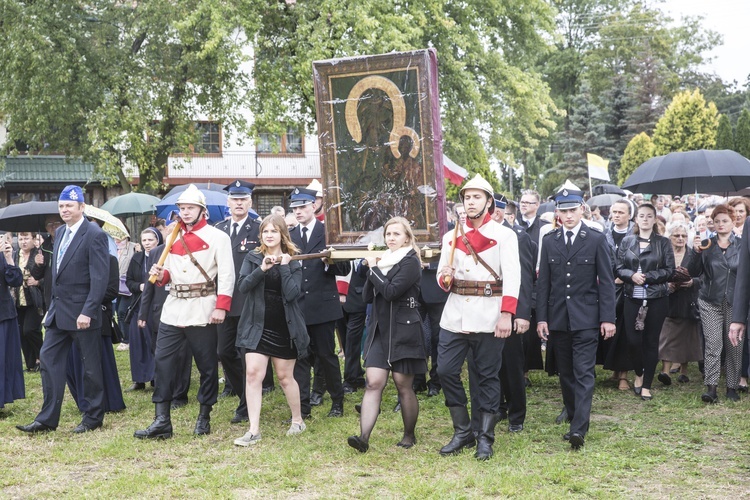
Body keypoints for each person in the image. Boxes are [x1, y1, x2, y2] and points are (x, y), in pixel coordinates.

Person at [134, 184, 234, 439]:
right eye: (182, 208)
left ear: (203, 211)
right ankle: (162, 420)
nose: (185, 212)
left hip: (203, 307)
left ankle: (204, 415)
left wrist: (221, 307)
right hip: (174, 308)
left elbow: (227, 275)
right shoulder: (172, 237)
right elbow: (169, 274)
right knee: (163, 362)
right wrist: (160, 275)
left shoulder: (218, 237)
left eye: (190, 208)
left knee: (207, 366)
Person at [435, 174, 520, 461]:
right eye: (466, 197)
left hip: (489, 312)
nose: (470, 202)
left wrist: (507, 314)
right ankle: (463, 432)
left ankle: (485, 437)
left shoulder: (505, 235)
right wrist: (444, 278)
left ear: (488, 202)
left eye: (476, 197)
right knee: (445, 370)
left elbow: (513, 278)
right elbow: (442, 276)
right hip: (456, 313)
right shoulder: (451, 236)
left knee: (487, 377)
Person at [17, 185, 110, 434]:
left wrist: (88, 311)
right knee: (48, 360)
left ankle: (93, 417)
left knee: (90, 367)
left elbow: (99, 279)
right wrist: (50, 308)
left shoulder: (94, 234)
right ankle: (47, 419)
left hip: (83, 315)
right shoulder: (59, 235)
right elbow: (55, 275)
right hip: (58, 314)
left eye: (69, 205)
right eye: (61, 206)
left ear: (82, 207)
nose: (64, 210)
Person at [536, 188, 616, 450]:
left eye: (573, 210)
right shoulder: (549, 240)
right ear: (557, 213)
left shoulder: (594, 239)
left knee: (584, 373)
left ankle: (578, 429)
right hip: (559, 319)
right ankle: (573, 418)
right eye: (563, 211)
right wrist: (542, 319)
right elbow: (544, 284)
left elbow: (606, 282)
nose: (568, 215)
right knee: (566, 374)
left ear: (582, 209)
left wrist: (608, 318)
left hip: (587, 319)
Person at [347, 217, 427, 453]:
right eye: (388, 234)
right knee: (373, 382)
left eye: (396, 234)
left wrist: (373, 269)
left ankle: (409, 434)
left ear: (407, 237)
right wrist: (369, 270)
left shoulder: (410, 261)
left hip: (405, 329)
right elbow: (367, 296)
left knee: (403, 385)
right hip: (380, 330)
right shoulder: (384, 261)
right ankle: (363, 438)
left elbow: (391, 292)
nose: (391, 238)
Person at [233, 215, 309, 446]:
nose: (269, 235)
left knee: (286, 378)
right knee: (253, 374)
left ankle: (297, 420)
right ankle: (253, 430)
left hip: (284, 327)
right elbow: (243, 286)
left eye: (274, 231)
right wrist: (262, 269)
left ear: (282, 235)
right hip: (257, 326)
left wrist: (284, 267)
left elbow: (293, 294)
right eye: (265, 231)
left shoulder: (293, 260)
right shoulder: (254, 257)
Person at [289, 187, 351, 419]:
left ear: (314, 206)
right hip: (299, 306)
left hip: (323, 306)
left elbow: (345, 268)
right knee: (301, 358)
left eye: (302, 207)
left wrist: (329, 260)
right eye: (294, 208)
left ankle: (337, 401)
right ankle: (303, 407)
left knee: (327, 356)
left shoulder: (328, 233)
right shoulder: (291, 235)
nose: (298, 212)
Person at [214, 180, 265, 424]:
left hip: (249, 300)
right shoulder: (219, 229)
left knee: (247, 354)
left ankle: (246, 405)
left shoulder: (259, 228)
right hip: (224, 300)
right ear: (228, 202)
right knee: (224, 351)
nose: (239, 203)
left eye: (243, 199)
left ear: (250, 202)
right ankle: (241, 391)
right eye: (235, 199)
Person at [616, 203, 675, 401]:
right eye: (641, 215)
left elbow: (669, 270)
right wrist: (631, 275)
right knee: (633, 341)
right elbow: (618, 267)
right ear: (636, 219)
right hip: (632, 297)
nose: (645, 219)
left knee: (651, 341)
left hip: (657, 298)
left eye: (649, 216)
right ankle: (639, 372)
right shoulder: (627, 241)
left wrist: (648, 276)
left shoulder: (663, 242)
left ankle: (647, 384)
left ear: (655, 219)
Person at [690, 205, 743, 403]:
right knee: (713, 344)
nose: (721, 224)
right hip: (709, 300)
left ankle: (732, 385)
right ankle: (711, 387)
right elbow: (692, 271)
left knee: (734, 345)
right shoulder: (705, 244)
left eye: (725, 221)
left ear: (733, 222)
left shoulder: (742, 245)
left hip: (735, 301)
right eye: (717, 221)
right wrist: (695, 252)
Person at [66, 253, 126, 414]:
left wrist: (87, 301)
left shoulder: (110, 259)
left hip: (98, 315)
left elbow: (112, 290)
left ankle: (108, 401)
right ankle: (84, 400)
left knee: (100, 361)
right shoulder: (73, 258)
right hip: (72, 314)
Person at [657, 221, 702, 385]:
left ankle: (684, 371)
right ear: (669, 237)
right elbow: (657, 273)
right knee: (667, 336)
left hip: (688, 301)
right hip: (668, 300)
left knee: (688, 337)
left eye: (684, 236)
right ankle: (665, 371)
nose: (680, 238)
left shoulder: (694, 254)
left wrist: (693, 282)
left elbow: (703, 276)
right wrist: (665, 285)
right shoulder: (664, 254)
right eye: (677, 235)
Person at [123, 228, 163, 392]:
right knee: (138, 342)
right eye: (144, 240)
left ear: (158, 240)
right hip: (139, 304)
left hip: (156, 305)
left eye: (150, 240)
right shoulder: (137, 258)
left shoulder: (163, 257)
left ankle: (156, 378)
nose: (147, 244)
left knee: (154, 341)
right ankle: (139, 379)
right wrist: (139, 286)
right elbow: (129, 281)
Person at [0, 236, 25, 413]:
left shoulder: (3, 252)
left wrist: (8, 258)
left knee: (2, 359)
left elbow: (16, 281)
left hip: (3, 313)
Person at [14, 232, 44, 373]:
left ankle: (41, 357)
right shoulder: (14, 255)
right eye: (20, 239)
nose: (23, 242)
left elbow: (48, 275)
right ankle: (31, 364)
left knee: (30, 330)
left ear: (33, 239)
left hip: (34, 300)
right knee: (21, 333)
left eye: (26, 238)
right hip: (18, 300)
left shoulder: (38, 254)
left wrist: (38, 282)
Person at [115, 233, 138, 351]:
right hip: (115, 285)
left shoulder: (133, 247)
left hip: (127, 285)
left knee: (123, 311)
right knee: (118, 312)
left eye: (121, 236)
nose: (118, 239)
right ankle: (122, 337)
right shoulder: (113, 248)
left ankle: (127, 339)